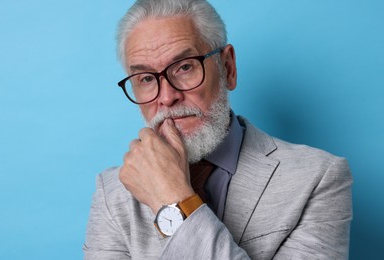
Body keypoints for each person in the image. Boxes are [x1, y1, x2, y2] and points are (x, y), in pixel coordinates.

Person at [83, 0, 353, 259]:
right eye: (145, 79)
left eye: (184, 67)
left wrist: (172, 200)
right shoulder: (112, 192)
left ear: (228, 68)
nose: (166, 97)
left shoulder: (318, 178)